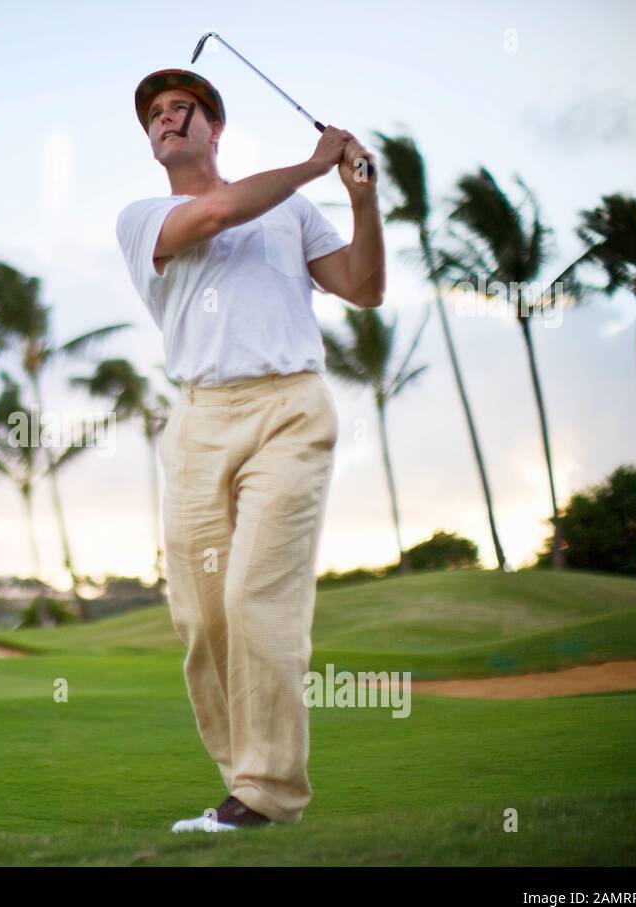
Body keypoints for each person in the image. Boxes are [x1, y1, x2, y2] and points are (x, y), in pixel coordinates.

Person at [115, 68, 385, 832]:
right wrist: (314, 162)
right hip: (199, 421)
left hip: (289, 409)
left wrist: (361, 199)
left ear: (214, 127)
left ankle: (265, 795)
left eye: (183, 109)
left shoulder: (293, 212)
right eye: (157, 115)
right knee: (202, 621)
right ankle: (245, 781)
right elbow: (217, 214)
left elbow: (363, 288)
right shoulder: (143, 217)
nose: (168, 120)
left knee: (254, 600)